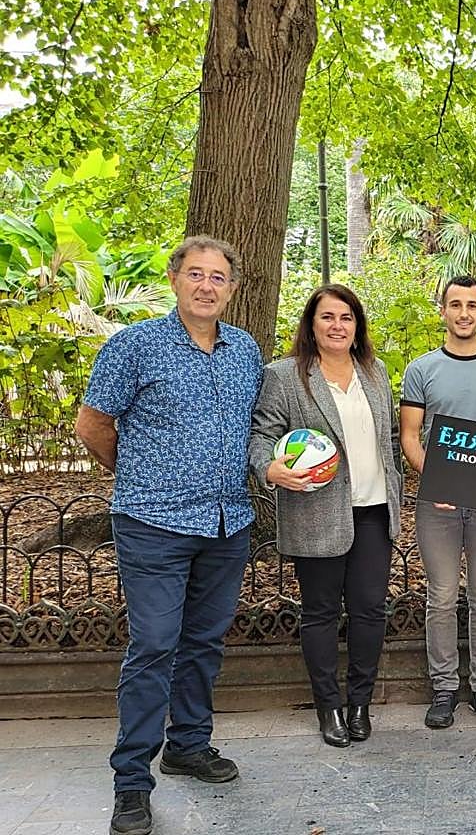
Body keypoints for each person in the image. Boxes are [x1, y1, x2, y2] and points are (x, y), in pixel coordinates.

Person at [74, 236, 263, 835]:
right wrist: (140, 475)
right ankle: (131, 780)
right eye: (196, 274)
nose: (207, 285)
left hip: (227, 522)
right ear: (176, 279)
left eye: (219, 277)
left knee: (204, 642)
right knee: (155, 644)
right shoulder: (134, 347)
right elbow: (93, 425)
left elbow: (251, 428)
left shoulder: (244, 351)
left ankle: (188, 744)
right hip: (152, 523)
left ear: (232, 288)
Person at [249, 284, 404, 748]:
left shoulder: (374, 373)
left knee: (370, 611)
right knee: (319, 612)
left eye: (346, 318)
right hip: (316, 512)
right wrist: (268, 467)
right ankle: (328, 706)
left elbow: (391, 437)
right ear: (311, 325)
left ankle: (360, 704)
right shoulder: (284, 376)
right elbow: (261, 436)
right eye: (328, 318)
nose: (338, 326)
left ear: (357, 326)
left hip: (374, 511)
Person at [400, 276, 476, 729]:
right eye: (456, 305)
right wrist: (439, 482)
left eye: (473, 305)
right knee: (442, 595)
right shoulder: (421, 369)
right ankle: (445, 687)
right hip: (440, 505)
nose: (464, 313)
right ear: (443, 311)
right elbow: (411, 437)